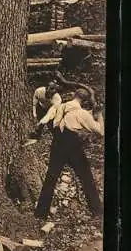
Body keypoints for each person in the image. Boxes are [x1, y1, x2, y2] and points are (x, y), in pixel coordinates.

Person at [34, 88, 104, 220]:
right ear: (84, 101)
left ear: (74, 95)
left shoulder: (62, 106)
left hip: (58, 141)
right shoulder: (82, 113)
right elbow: (100, 132)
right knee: (85, 176)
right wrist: (99, 114)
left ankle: (40, 213)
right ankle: (97, 211)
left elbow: (52, 121)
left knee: (51, 177)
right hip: (72, 143)